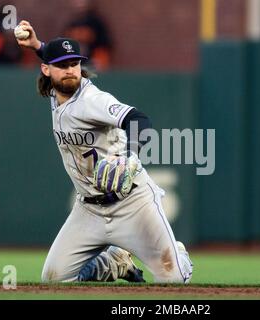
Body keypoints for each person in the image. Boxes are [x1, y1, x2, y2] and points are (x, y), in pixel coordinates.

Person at [15, 20, 193, 284]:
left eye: (74, 64)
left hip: (131, 201)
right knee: (53, 281)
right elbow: (53, 63)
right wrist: (37, 46)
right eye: (62, 65)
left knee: (175, 280)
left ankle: (178, 256)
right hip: (89, 209)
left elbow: (139, 119)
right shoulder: (57, 93)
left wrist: (130, 156)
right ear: (46, 69)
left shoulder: (91, 100)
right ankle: (114, 262)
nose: (70, 71)